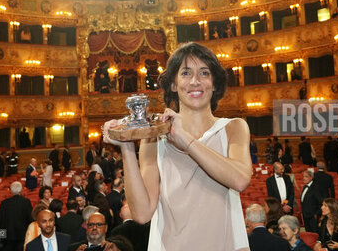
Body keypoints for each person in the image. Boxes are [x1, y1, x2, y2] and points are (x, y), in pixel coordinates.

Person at [103, 42, 252, 250]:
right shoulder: (155, 138)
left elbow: (240, 179)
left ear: (215, 83)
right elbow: (142, 213)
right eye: (185, 73)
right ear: (173, 84)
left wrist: (185, 139)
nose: (195, 81)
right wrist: (126, 148)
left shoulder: (234, 128)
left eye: (204, 73)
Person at [0, 181, 33, 251]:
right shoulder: (26, 202)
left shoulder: (4, 203)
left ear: (11, 190)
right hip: (22, 235)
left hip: (8, 236)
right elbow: (30, 219)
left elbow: (0, 220)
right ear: (21, 190)